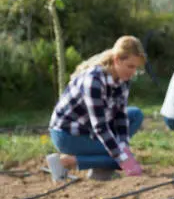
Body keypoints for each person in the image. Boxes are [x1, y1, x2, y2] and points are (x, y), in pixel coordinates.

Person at [46, 35, 146, 182]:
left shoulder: (123, 80)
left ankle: (99, 167)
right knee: (117, 159)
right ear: (117, 60)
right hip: (68, 134)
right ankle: (67, 161)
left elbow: (120, 115)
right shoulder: (93, 80)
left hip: (90, 129)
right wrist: (122, 157)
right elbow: (100, 126)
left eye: (136, 68)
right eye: (130, 66)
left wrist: (124, 146)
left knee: (135, 115)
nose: (133, 72)